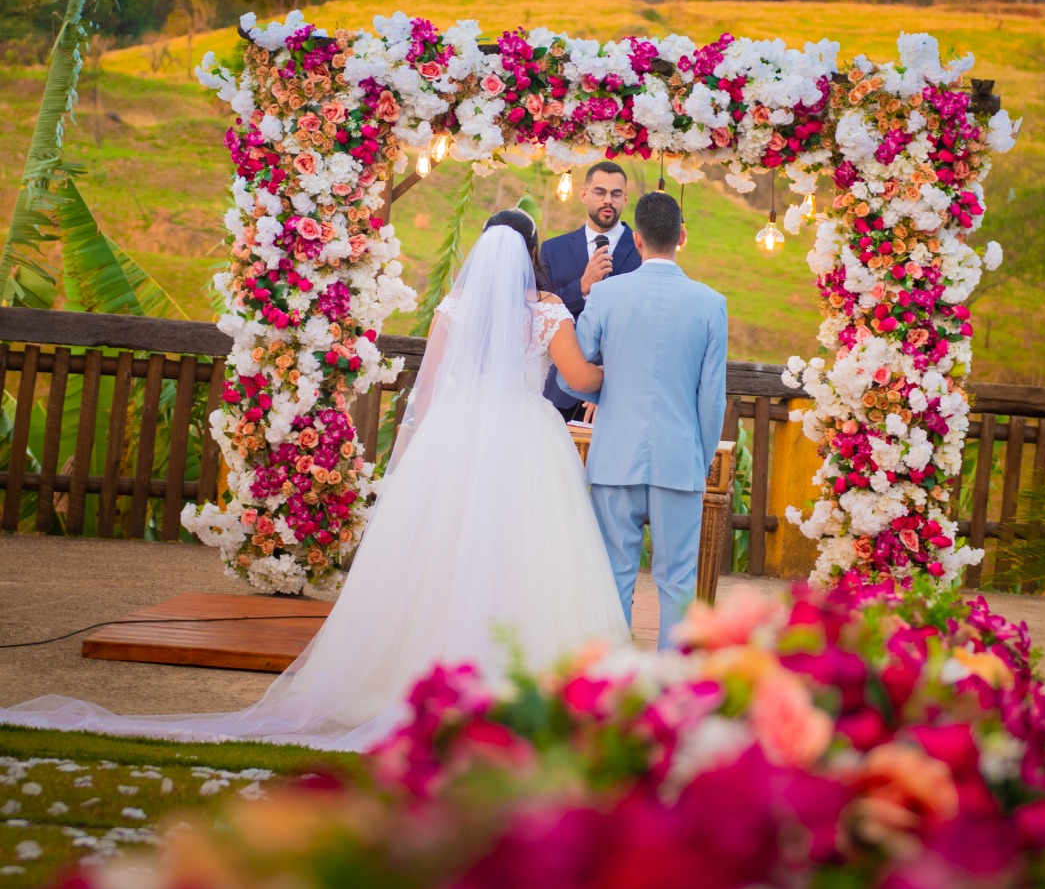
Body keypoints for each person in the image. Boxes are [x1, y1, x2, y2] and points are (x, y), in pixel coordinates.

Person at [0, 213, 631, 750]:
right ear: (529, 257)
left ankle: (418, 677)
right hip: (524, 438)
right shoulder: (547, 310)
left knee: (441, 555)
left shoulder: (454, 308)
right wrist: (625, 359)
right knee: (524, 557)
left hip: (456, 437)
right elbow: (581, 379)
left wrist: (410, 461)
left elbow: (428, 395)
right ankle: (522, 683)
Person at [558, 190, 727, 649]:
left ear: (636, 237)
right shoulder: (711, 303)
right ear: (682, 237)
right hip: (679, 458)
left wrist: (605, 390)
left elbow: (574, 376)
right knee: (677, 582)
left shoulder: (608, 294)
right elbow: (713, 398)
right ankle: (673, 686)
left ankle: (611, 682)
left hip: (614, 454)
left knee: (614, 573)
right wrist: (700, 455)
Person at [540, 160, 640, 419]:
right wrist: (583, 286)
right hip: (562, 386)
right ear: (584, 194)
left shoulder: (643, 250)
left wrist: (609, 381)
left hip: (624, 389)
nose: (608, 200)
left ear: (625, 199)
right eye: (600, 192)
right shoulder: (553, 249)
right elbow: (542, 312)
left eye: (616, 194)